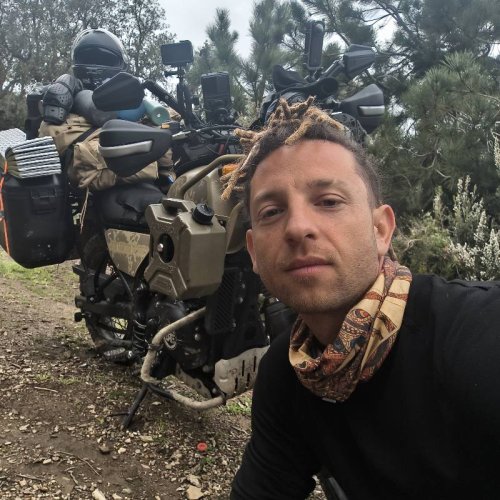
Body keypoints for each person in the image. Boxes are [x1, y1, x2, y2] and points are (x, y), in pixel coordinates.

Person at [224, 97, 500, 499]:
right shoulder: (289, 373)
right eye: (271, 211)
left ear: (381, 230)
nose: (297, 227)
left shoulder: (476, 335)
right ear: (252, 251)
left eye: (328, 202)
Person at [38, 27, 168, 191]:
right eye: (90, 58)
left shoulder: (143, 109)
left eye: (104, 59)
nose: (95, 64)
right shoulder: (59, 119)